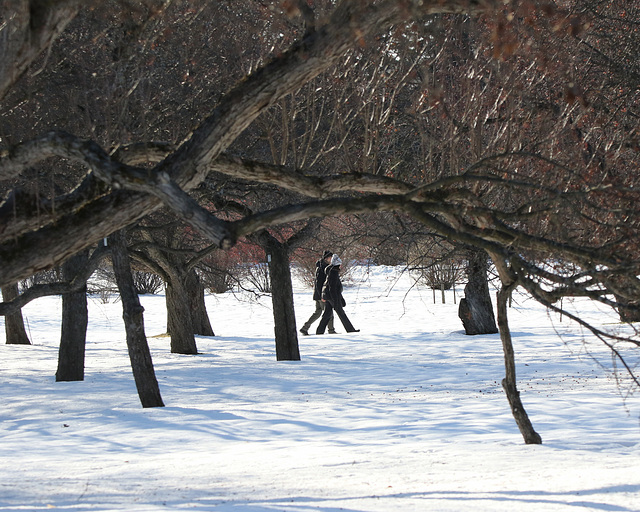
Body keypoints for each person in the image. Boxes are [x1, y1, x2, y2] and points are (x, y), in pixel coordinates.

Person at [316, 254, 359, 334]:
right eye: (339, 264)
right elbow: (332, 288)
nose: (340, 266)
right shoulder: (333, 272)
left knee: (327, 314)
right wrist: (336, 299)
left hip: (328, 295)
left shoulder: (331, 271)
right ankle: (350, 330)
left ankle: (320, 331)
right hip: (332, 296)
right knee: (341, 313)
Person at [299, 250, 335, 335]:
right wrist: (322, 296)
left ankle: (305, 328)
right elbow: (319, 284)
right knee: (328, 312)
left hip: (318, 295)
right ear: (326, 258)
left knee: (318, 312)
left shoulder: (322, 266)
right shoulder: (323, 268)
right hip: (321, 295)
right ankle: (331, 330)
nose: (331, 259)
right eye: (330, 258)